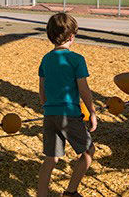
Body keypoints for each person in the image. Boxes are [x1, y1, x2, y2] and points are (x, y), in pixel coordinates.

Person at [36, 13, 97, 197]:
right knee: (88, 151)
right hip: (69, 115)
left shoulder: (46, 59)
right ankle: (70, 192)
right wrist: (92, 111)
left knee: (51, 158)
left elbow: (42, 88)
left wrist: (46, 106)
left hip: (50, 115)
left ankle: (41, 194)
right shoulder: (76, 59)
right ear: (71, 36)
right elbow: (83, 89)